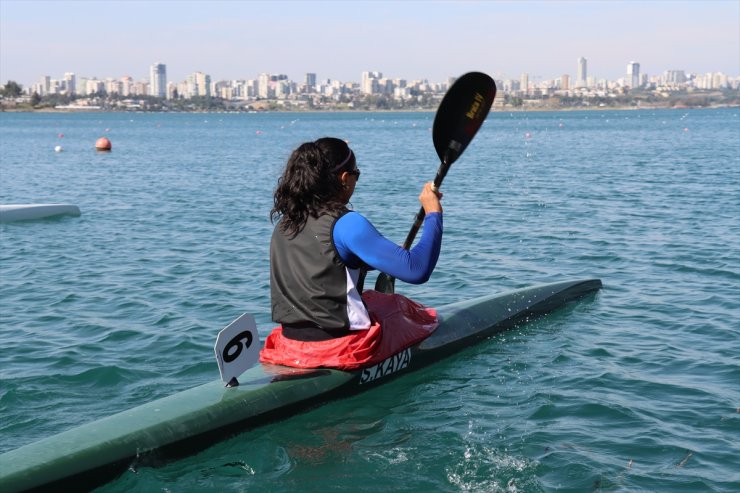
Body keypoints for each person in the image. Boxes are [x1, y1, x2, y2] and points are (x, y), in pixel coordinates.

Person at [261, 137, 443, 369]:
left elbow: (328, 263)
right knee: (402, 308)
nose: (357, 179)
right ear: (344, 178)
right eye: (356, 173)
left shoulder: (285, 224)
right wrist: (433, 213)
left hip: (290, 344)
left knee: (373, 299)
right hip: (340, 348)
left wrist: (386, 255)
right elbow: (417, 270)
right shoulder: (348, 224)